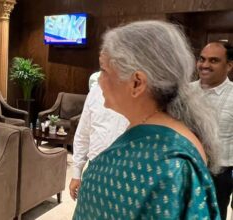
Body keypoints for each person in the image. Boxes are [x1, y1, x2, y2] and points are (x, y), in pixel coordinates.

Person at [73, 20, 220, 219]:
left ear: (137, 83)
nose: (99, 80)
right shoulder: (148, 131)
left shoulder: (170, 166)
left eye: (105, 71)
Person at [69, 72, 129, 200]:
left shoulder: (139, 96)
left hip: (125, 174)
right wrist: (76, 173)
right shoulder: (95, 92)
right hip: (94, 169)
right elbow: (83, 134)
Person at [191, 41, 233, 220]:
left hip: (220, 175)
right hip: (186, 170)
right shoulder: (184, 92)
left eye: (214, 60)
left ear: (229, 65)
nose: (205, 65)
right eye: (202, 59)